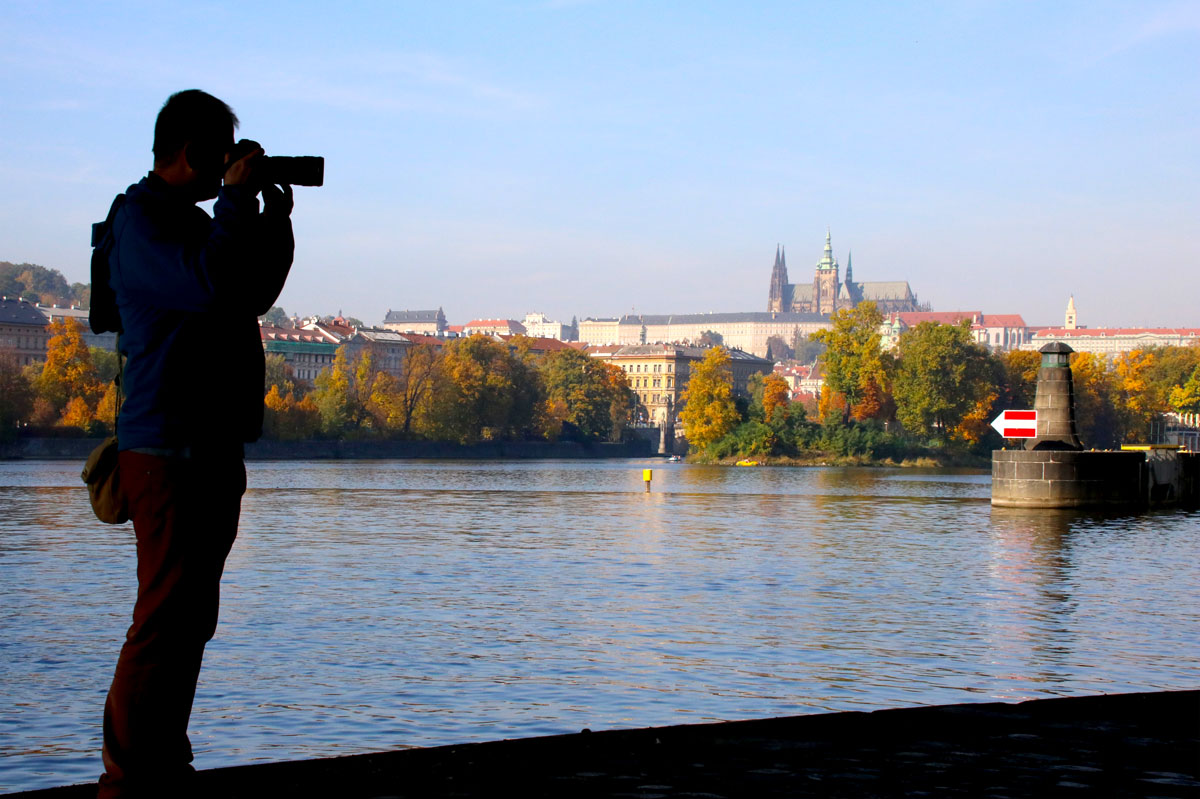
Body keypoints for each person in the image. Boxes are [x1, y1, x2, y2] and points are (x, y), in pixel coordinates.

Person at [95, 89, 295, 798]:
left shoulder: (185, 223)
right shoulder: (145, 223)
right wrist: (237, 207)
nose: (227, 172)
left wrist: (273, 218)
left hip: (205, 446)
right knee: (164, 613)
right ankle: (127, 779)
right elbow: (214, 282)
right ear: (190, 153)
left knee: (190, 615)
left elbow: (248, 290)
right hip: (169, 447)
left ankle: (160, 763)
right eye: (222, 157)